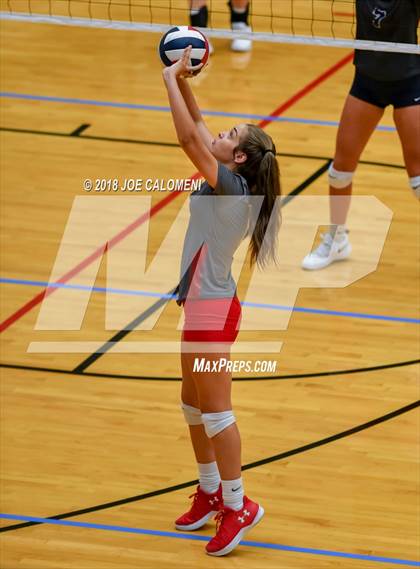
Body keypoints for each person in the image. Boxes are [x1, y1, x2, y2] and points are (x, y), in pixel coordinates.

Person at [162, 47, 281, 556]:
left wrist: (167, 77)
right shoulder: (232, 174)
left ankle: (239, 504)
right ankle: (211, 491)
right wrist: (186, 82)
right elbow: (202, 126)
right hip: (202, 306)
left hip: (212, 312)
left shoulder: (230, 188)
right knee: (192, 404)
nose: (220, 134)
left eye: (230, 136)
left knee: (217, 413)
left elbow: (189, 136)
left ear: (237, 159)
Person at [302, 0, 420, 270]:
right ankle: (337, 240)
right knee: (339, 172)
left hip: (410, 82)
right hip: (367, 83)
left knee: (418, 182)